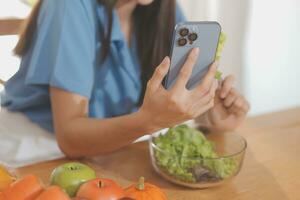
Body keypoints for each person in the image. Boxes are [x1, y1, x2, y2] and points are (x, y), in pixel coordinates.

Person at [0, 0, 250, 158]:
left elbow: (171, 101)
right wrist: (148, 121)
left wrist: (209, 114)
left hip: (115, 139)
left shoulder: (163, 9)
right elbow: (69, 136)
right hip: (37, 142)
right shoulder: (69, 5)